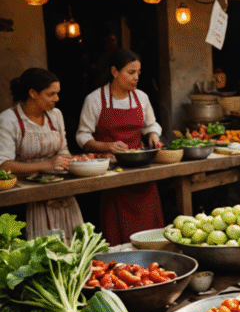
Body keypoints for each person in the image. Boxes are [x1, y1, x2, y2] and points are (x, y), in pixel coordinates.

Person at [77, 49, 164, 245]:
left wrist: (153, 135)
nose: (136, 78)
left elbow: (152, 124)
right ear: (114, 72)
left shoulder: (141, 97)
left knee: (150, 228)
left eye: (138, 73)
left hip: (142, 169)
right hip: (111, 172)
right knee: (119, 230)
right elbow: (82, 136)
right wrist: (106, 145)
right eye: (131, 72)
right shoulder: (95, 99)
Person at [0, 69, 83, 239]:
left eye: (57, 93)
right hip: (26, 197)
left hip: (61, 190)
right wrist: (47, 165)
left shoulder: (56, 115)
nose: (57, 99)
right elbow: (4, 165)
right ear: (33, 93)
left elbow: (63, 151)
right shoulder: (9, 120)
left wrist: (78, 161)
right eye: (51, 94)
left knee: (73, 244)